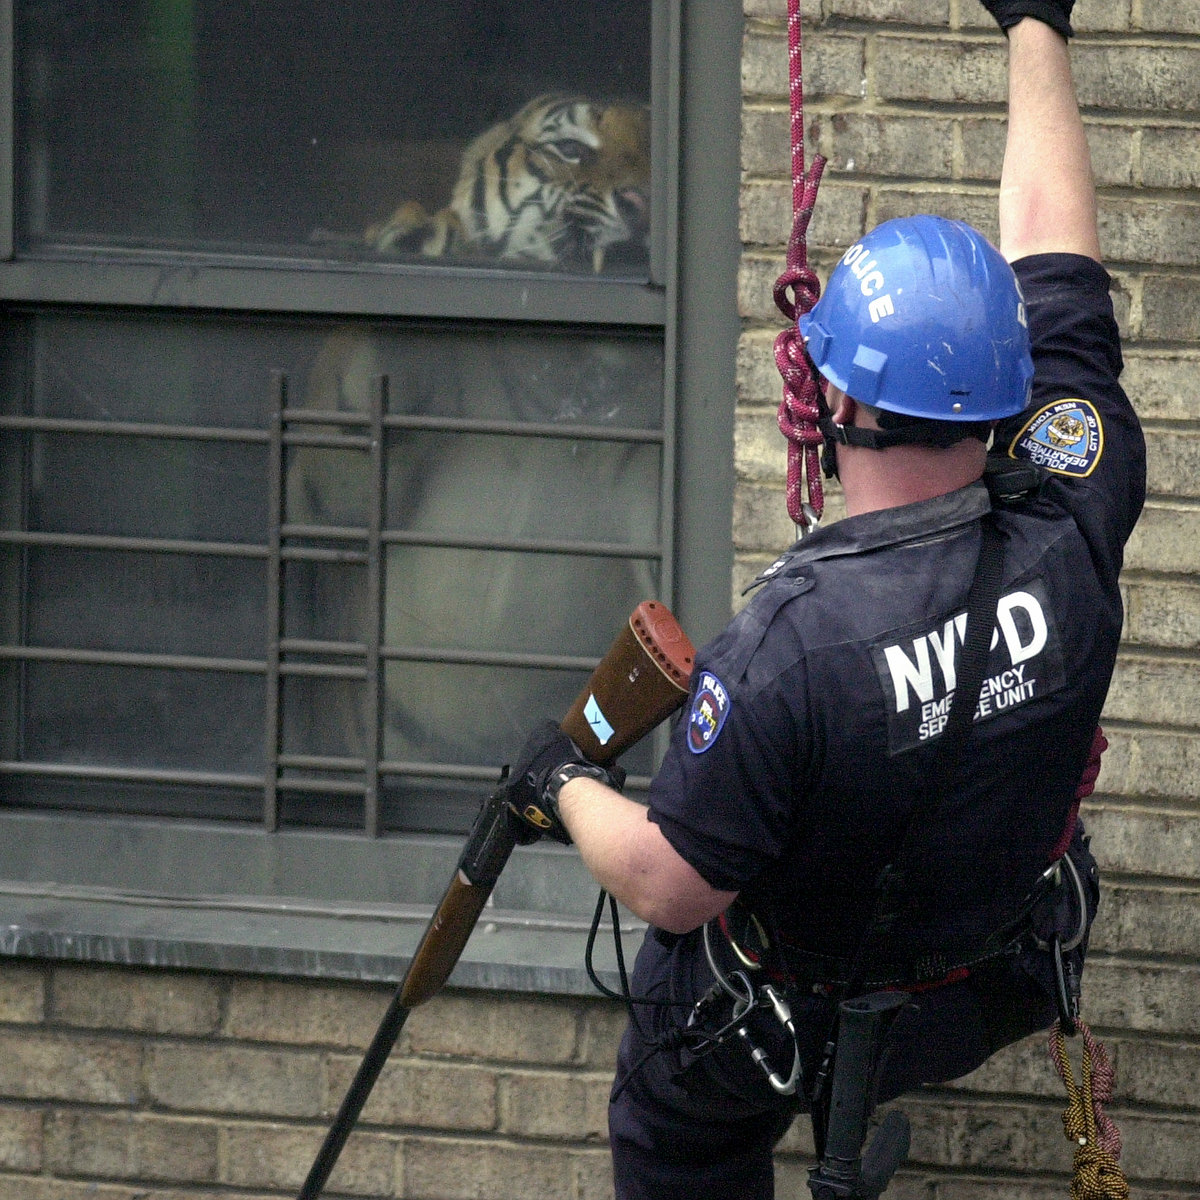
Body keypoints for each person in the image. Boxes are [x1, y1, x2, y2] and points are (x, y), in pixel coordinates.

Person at [503, 3, 1145, 1197]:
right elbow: (1058, 252)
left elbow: (671, 881)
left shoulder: (790, 652)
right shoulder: (1076, 503)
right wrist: (1036, 25)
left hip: (791, 1026)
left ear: (836, 404)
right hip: (987, 983)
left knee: (670, 1097)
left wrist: (562, 786)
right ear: (1004, 394)